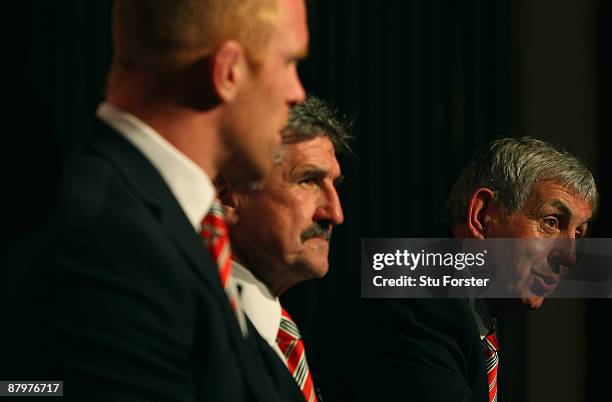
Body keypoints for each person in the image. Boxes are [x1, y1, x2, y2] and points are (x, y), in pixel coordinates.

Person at [0, 0, 308, 401]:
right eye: (288, 62)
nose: (297, 91)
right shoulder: (104, 245)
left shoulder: (172, 227)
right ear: (227, 71)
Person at [358, 137, 597, 402]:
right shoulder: (413, 298)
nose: (570, 256)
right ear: (482, 216)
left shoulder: (478, 302)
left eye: (578, 233)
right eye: (551, 223)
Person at [218, 96, 351, 402]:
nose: (335, 213)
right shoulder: (194, 323)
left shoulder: (287, 336)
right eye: (308, 180)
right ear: (227, 193)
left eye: (334, 185)